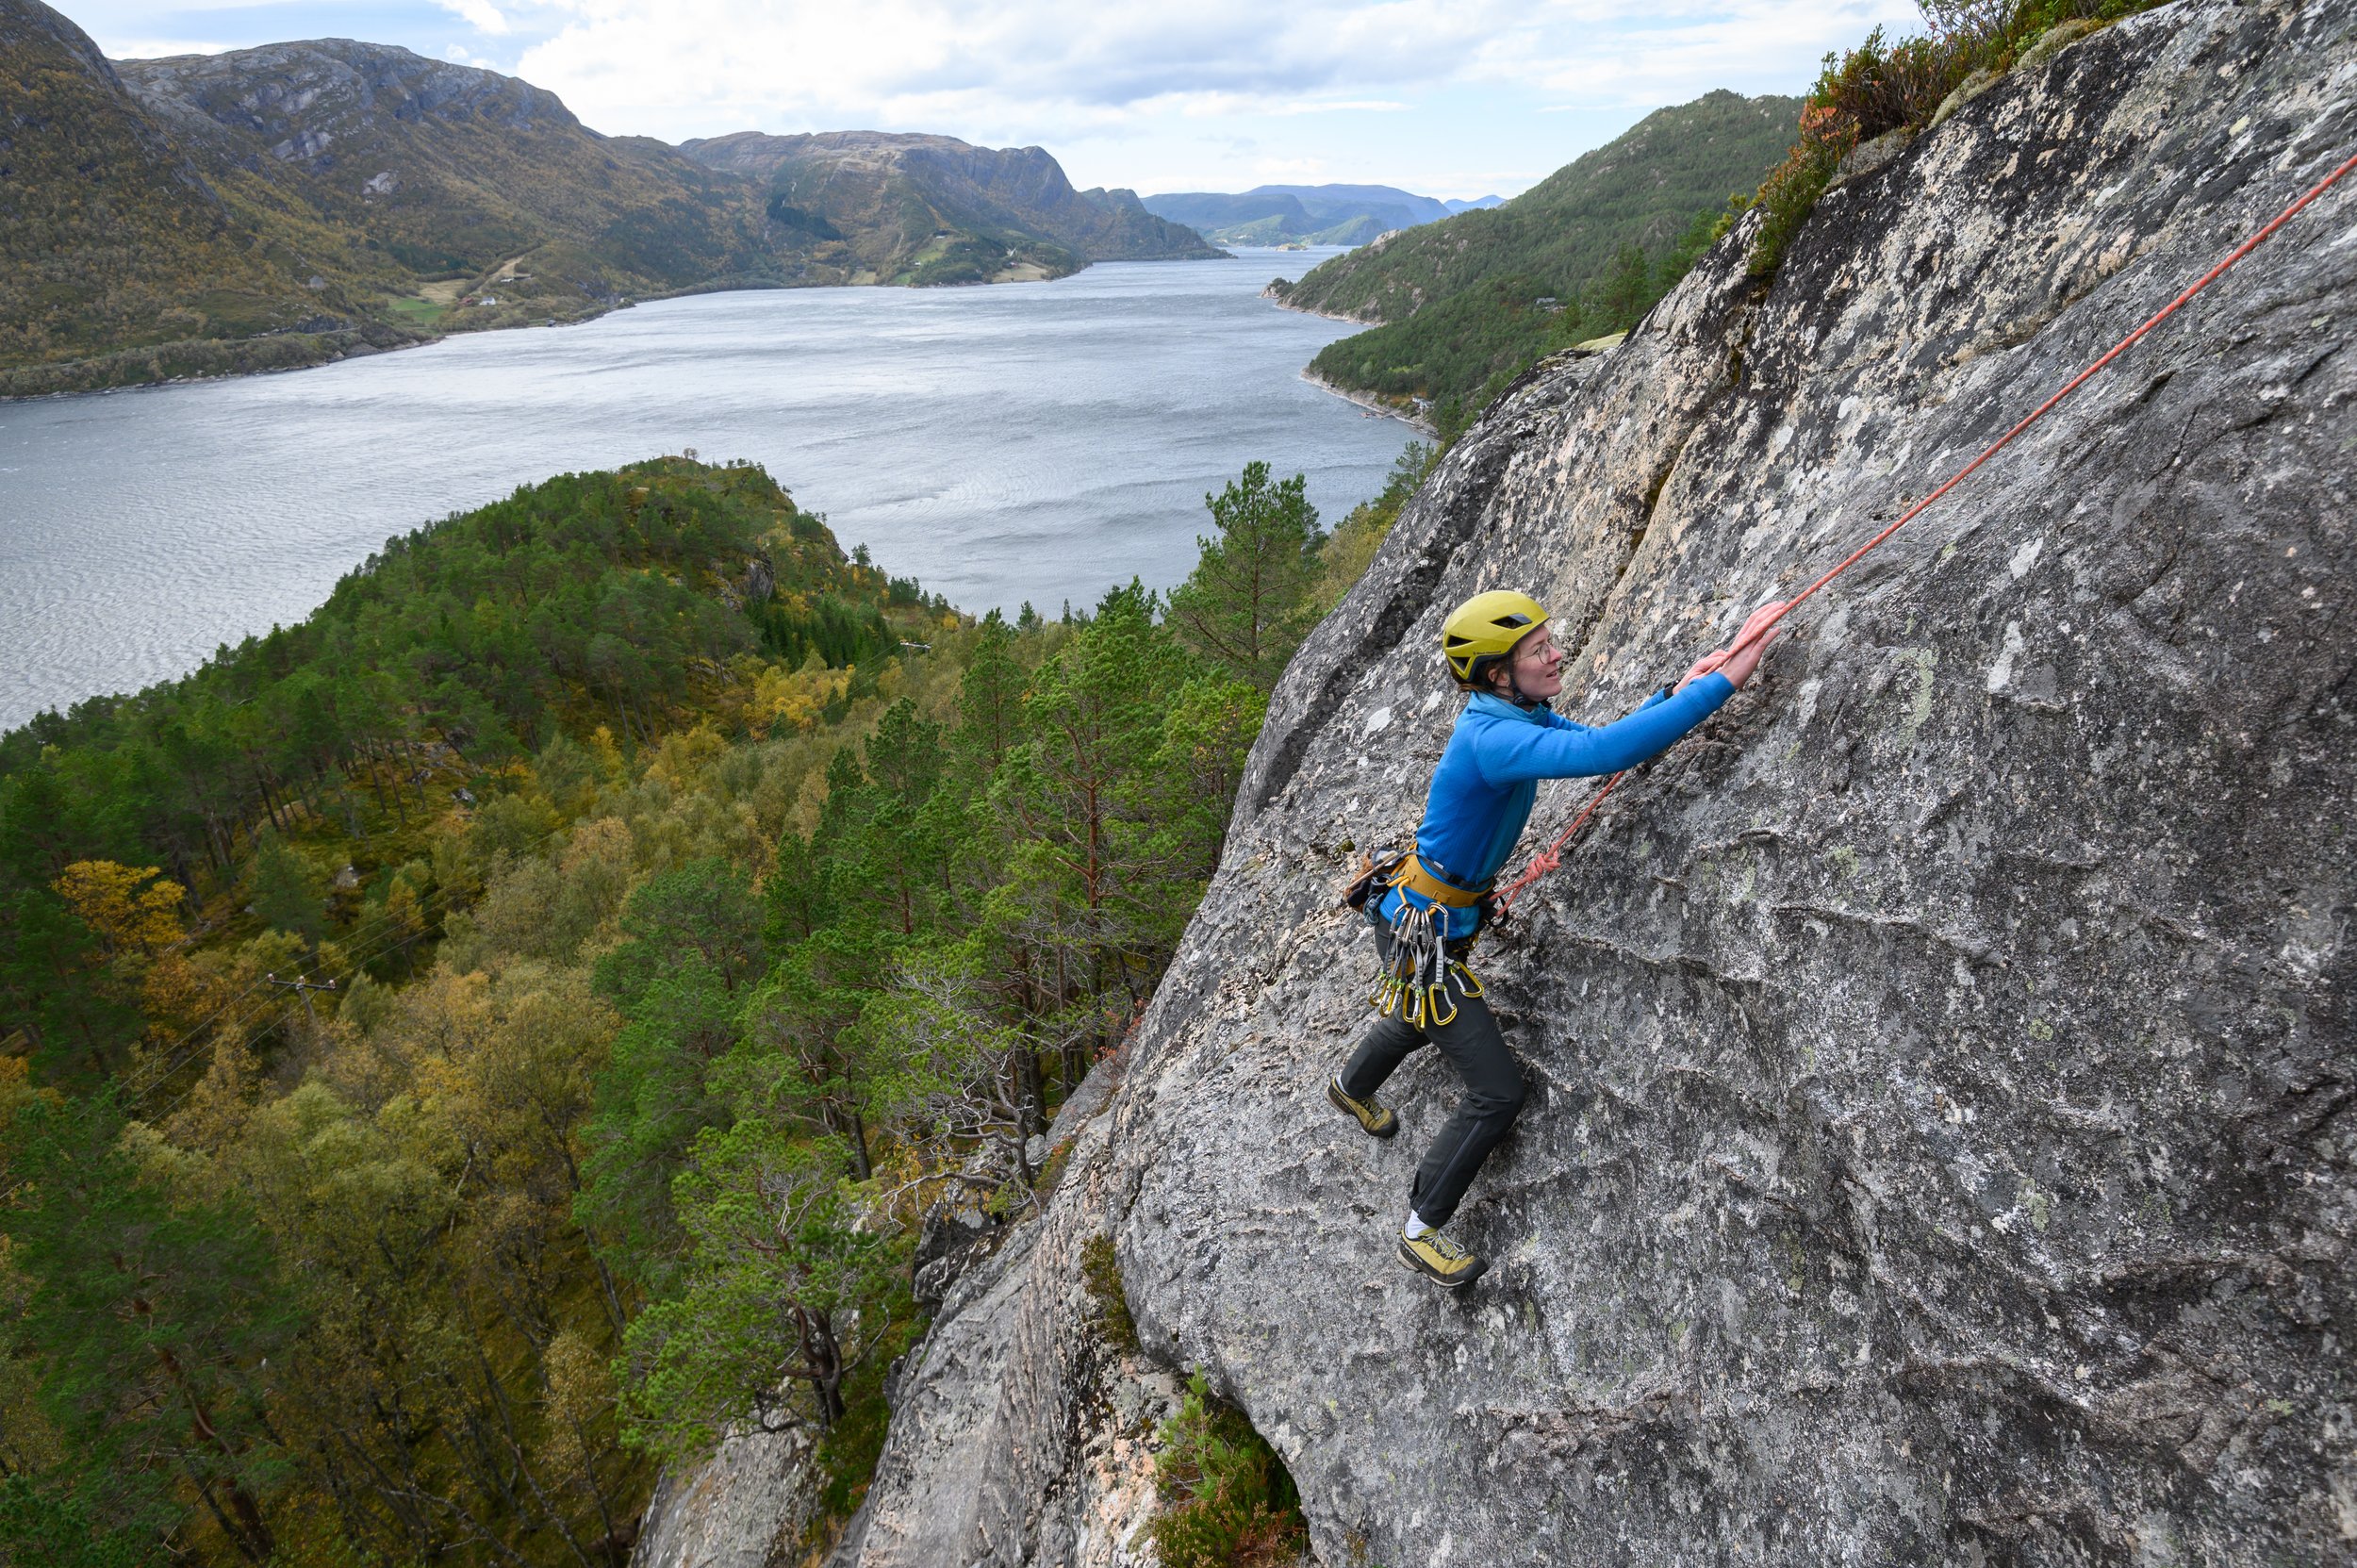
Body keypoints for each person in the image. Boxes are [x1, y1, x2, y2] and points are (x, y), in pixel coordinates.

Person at [1329, 589, 1785, 1288]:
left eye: (1550, 641)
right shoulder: (1495, 736)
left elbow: (1593, 744)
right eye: (1539, 648)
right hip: (1422, 933)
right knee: (1497, 1090)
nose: (1557, 653)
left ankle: (1349, 1084)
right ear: (1496, 672)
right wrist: (1723, 684)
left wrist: (1679, 689)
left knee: (1420, 1018)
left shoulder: (1514, 715)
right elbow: (1604, 752)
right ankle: (1422, 1228)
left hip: (1423, 922)